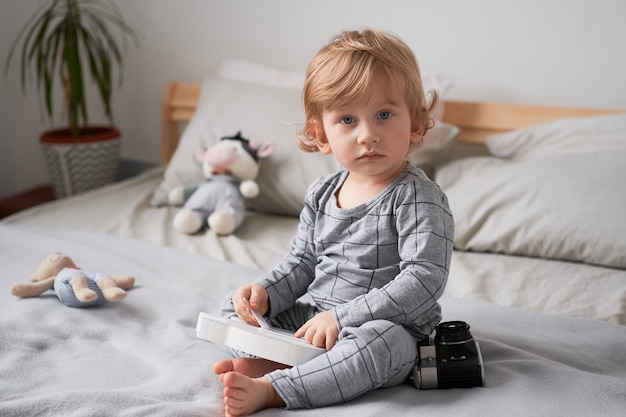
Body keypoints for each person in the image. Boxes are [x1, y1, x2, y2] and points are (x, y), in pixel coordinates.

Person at [213, 27, 454, 416]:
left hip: (385, 327)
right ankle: (291, 361)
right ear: (320, 134)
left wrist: (343, 318)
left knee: (381, 345)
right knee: (234, 306)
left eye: (384, 114)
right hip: (317, 319)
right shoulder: (323, 192)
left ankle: (275, 388)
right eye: (347, 119)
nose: (368, 135)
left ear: (415, 123)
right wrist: (265, 292)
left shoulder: (417, 196)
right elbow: (302, 262)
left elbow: (424, 280)